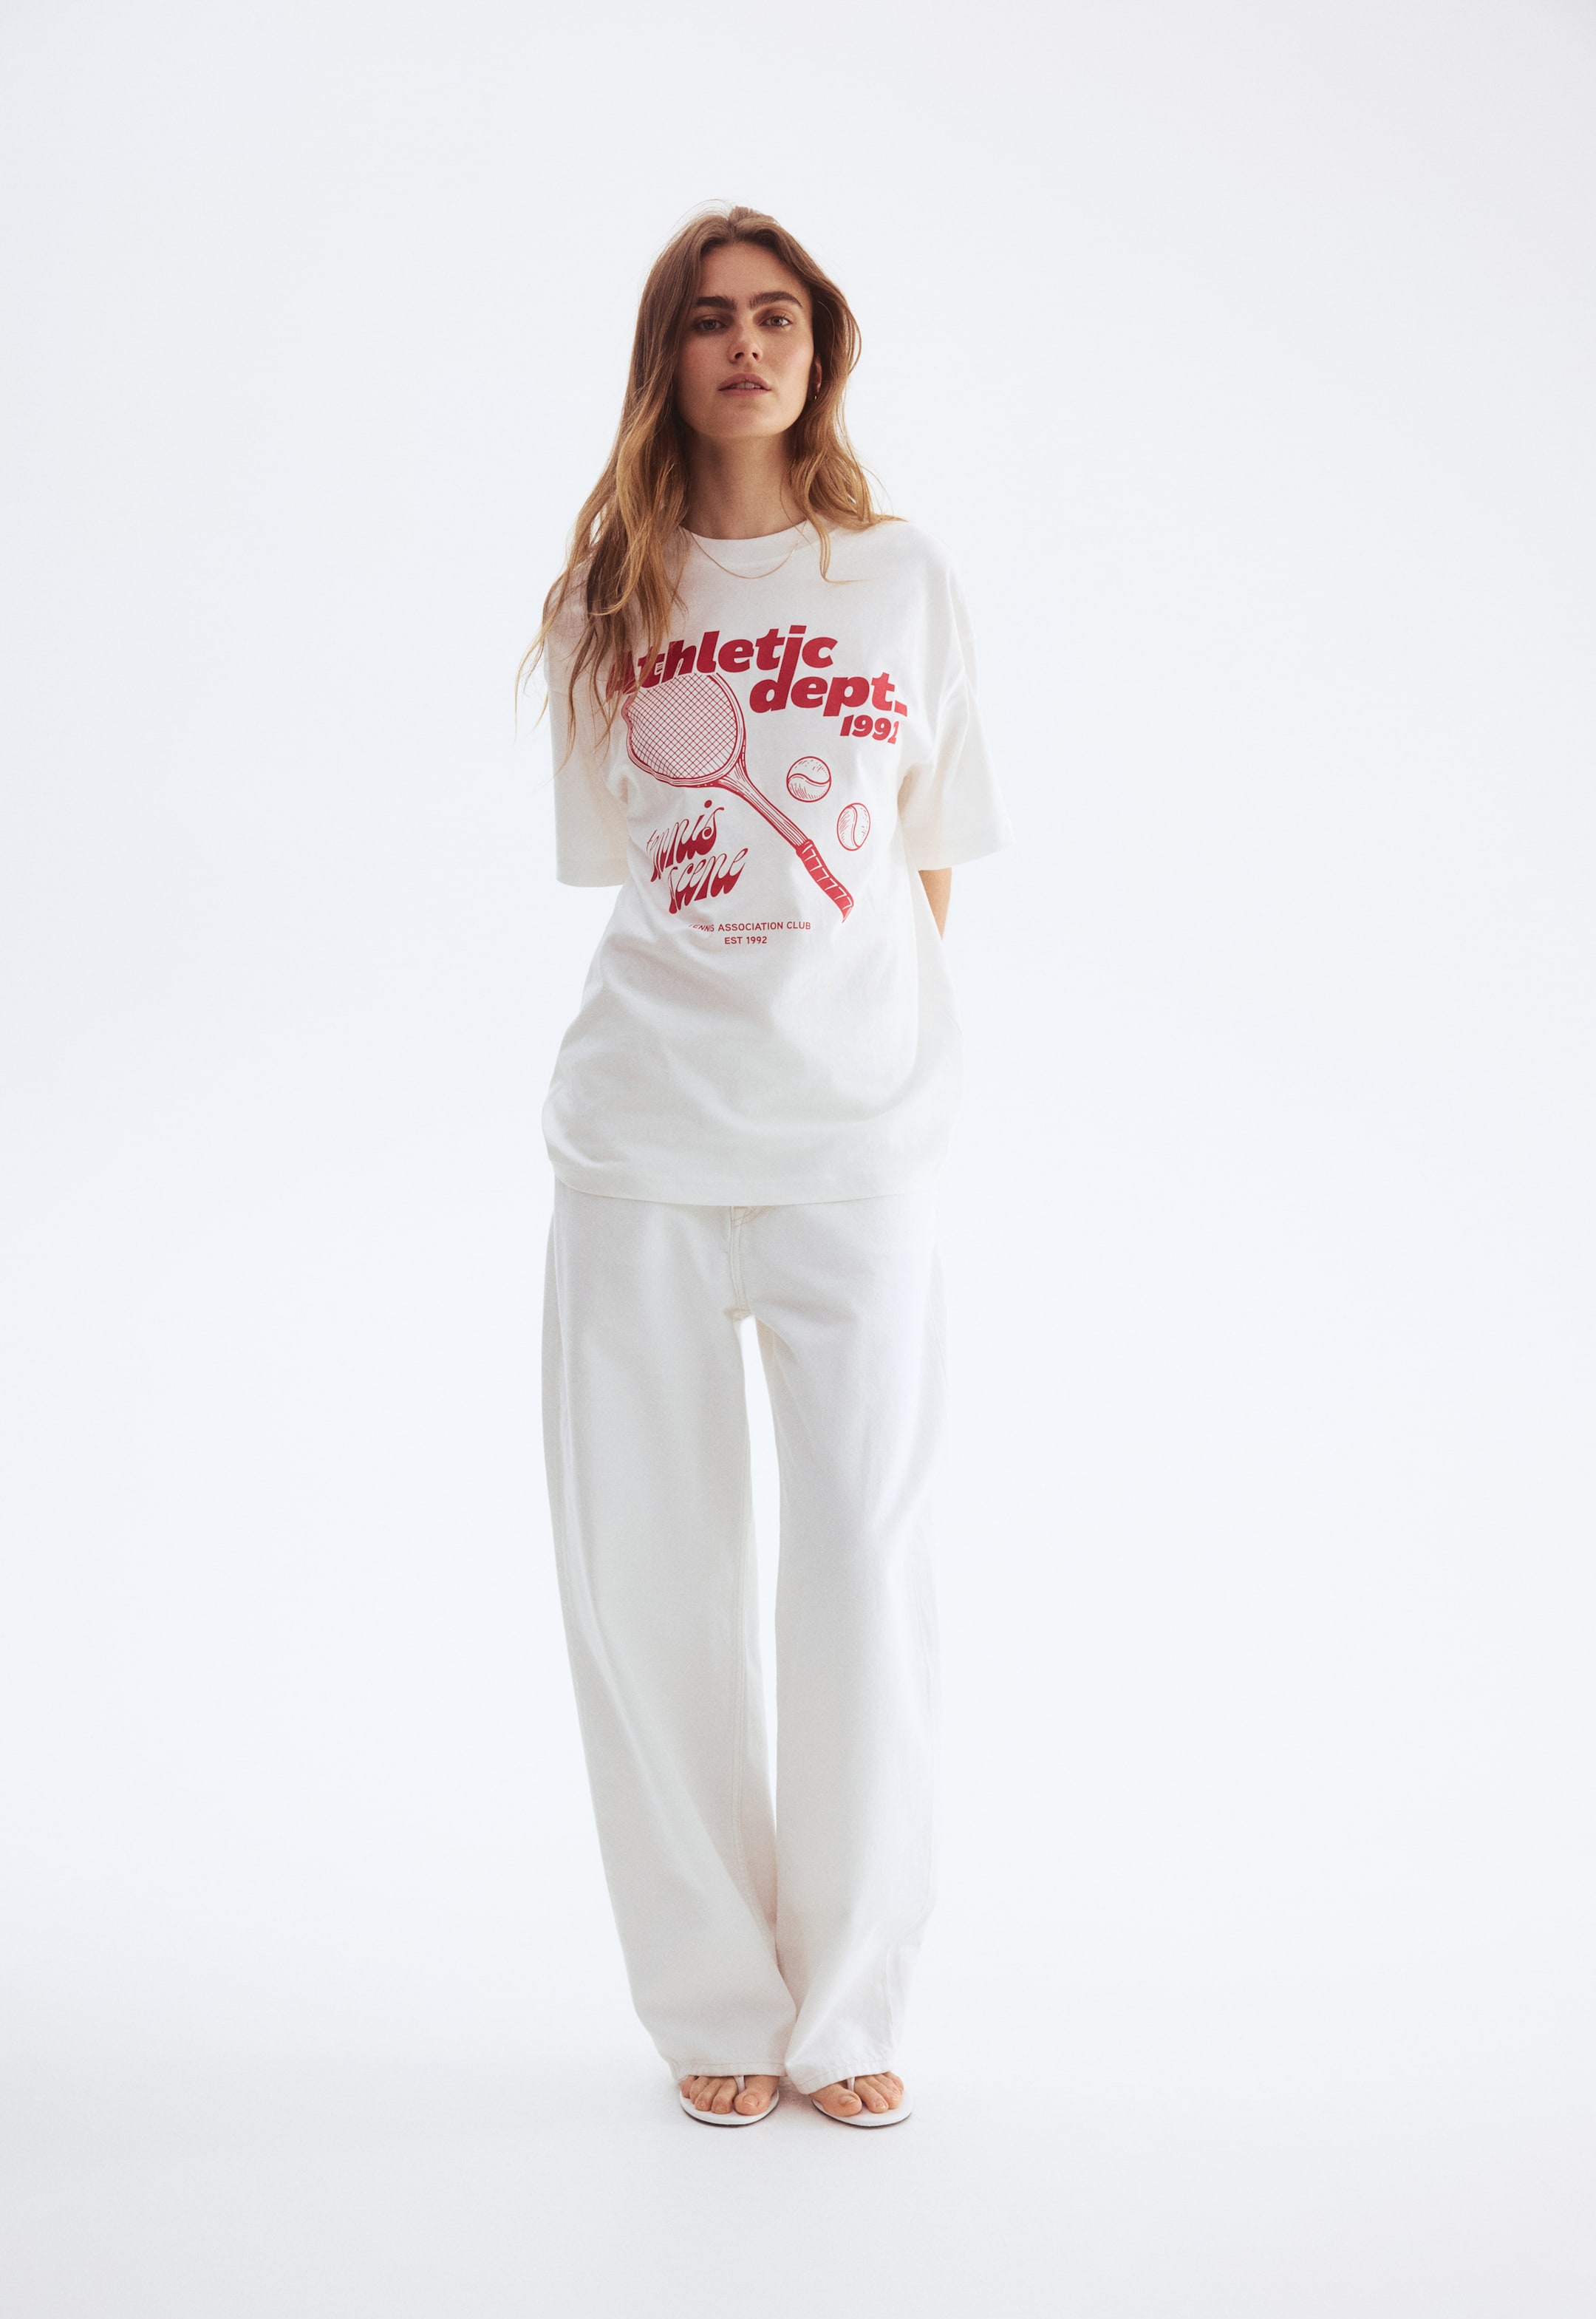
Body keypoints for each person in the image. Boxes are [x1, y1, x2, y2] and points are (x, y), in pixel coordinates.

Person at [522, 205, 1012, 2127]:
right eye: (711, 320)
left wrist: (857, 1042)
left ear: (823, 350)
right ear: (668, 357)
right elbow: (628, 872)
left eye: (778, 316)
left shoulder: (901, 579)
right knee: (649, 1584)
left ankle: (849, 2008)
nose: (746, 346)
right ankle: (714, 2000)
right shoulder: (613, 597)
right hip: (639, 1141)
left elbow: (927, 853)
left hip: (856, 1152)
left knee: (864, 1572)